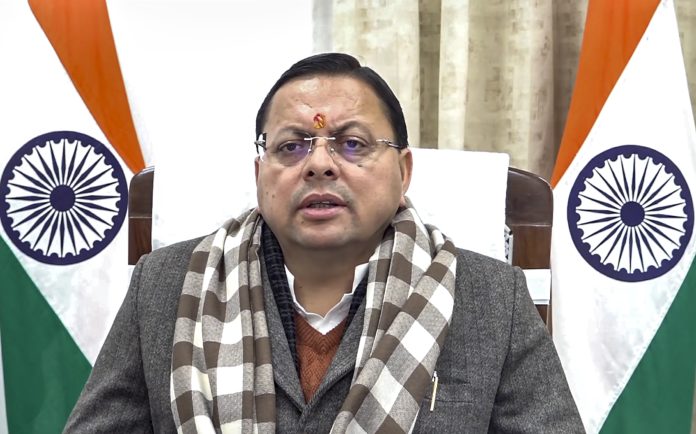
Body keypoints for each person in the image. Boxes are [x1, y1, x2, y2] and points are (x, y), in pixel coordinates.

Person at [63, 52, 585, 433]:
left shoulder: (491, 297)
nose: (318, 163)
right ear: (259, 174)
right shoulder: (165, 285)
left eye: (352, 144)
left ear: (403, 171)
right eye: (291, 146)